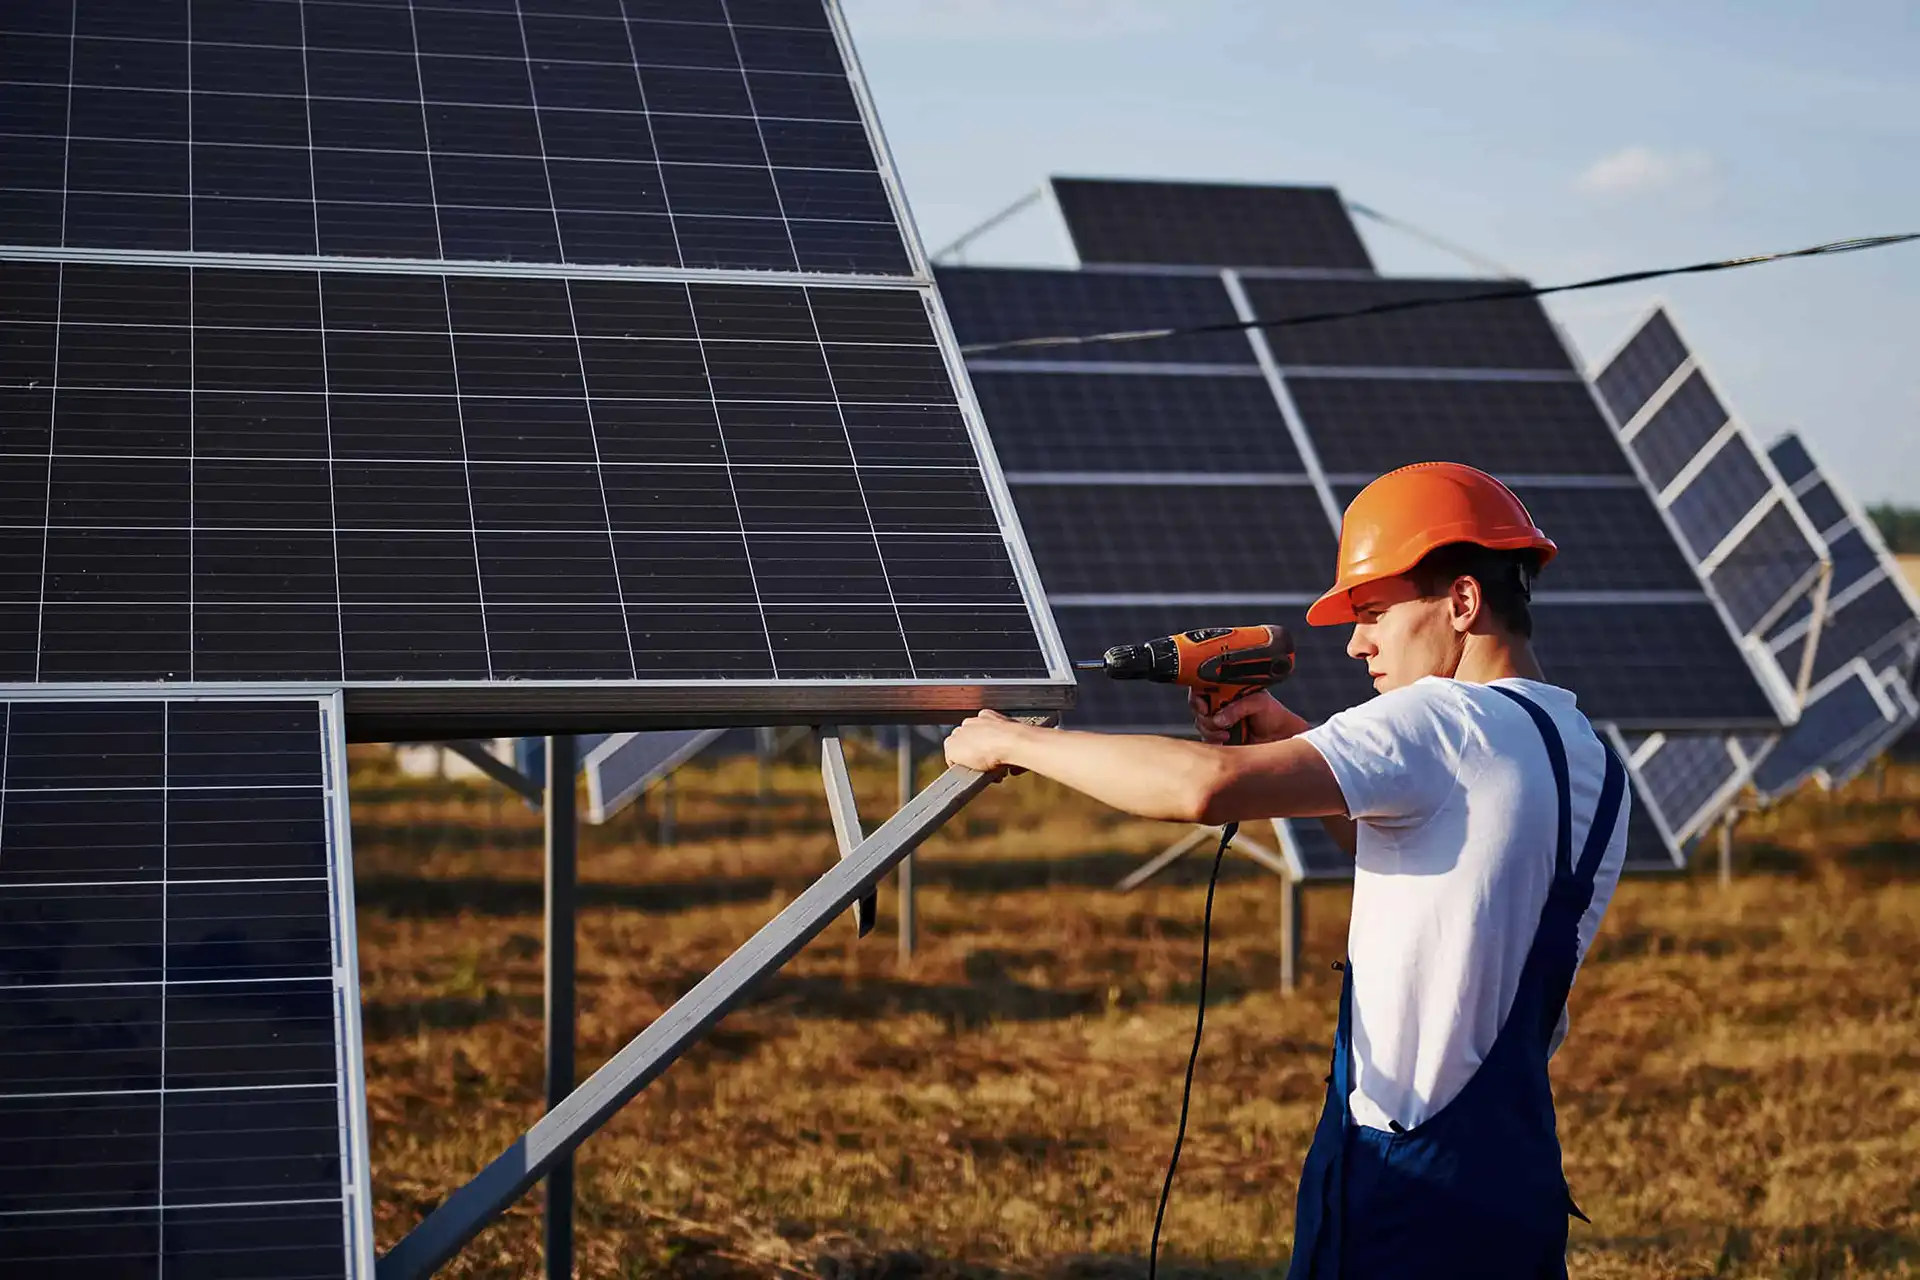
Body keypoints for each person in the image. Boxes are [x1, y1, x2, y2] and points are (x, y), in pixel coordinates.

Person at [944, 461, 1630, 1279]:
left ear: (1462, 604)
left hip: (1403, 1192)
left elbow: (1202, 789)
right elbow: (1427, 848)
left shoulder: (1438, 720)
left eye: (1374, 611)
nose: (1356, 642)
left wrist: (1012, 741)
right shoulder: (1587, 756)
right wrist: (1291, 737)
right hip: (1512, 1184)